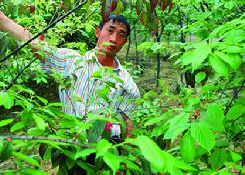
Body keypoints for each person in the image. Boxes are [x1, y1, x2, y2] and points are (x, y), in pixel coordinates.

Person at [0, 11, 140, 139]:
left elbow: (127, 127)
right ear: (98, 32)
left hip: (103, 155)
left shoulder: (126, 83)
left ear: (125, 42)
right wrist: (3, 20)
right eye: (110, 30)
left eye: (121, 35)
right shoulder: (72, 62)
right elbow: (35, 44)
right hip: (70, 150)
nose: (114, 38)